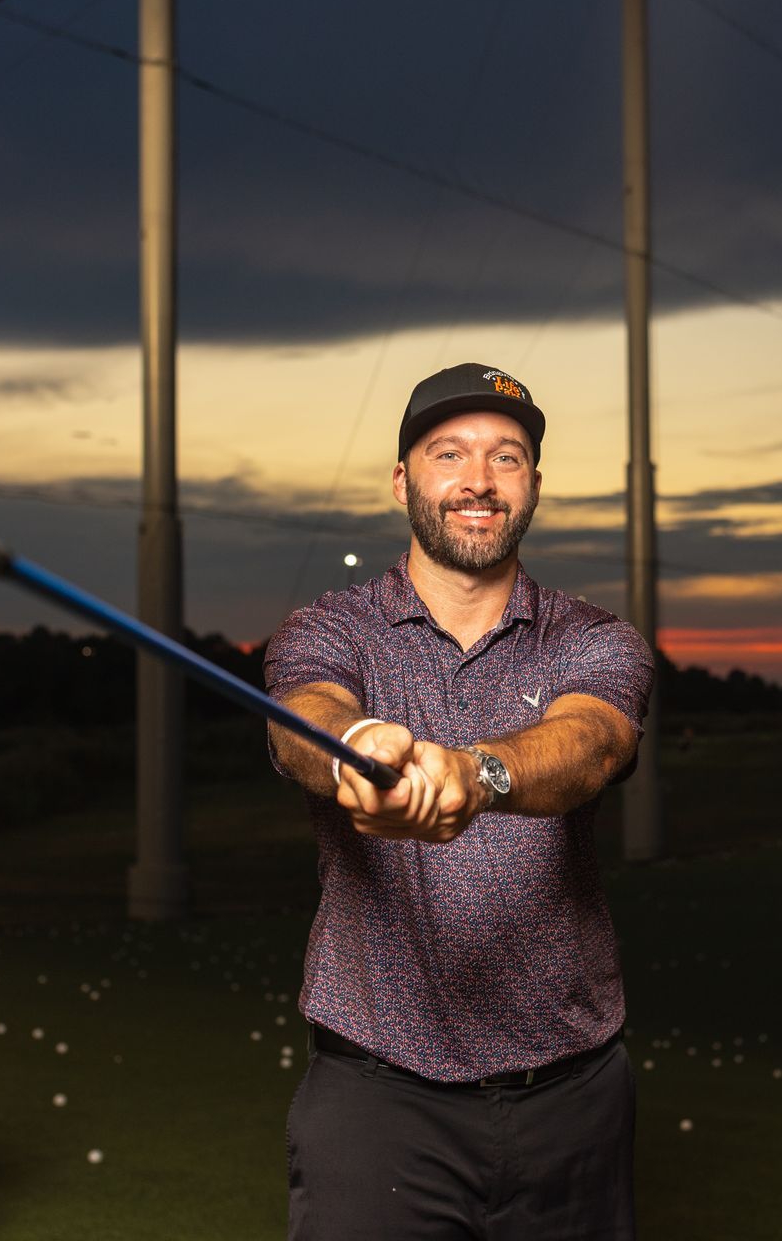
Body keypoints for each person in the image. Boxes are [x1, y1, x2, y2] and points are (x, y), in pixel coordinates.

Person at [263, 362, 655, 1240]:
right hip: (377, 1098)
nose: (478, 480)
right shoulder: (330, 627)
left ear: (534, 486)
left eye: (505, 457)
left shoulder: (596, 638)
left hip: (574, 1100)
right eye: (449, 454)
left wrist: (478, 776)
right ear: (402, 480)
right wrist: (355, 748)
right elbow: (304, 717)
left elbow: (591, 742)